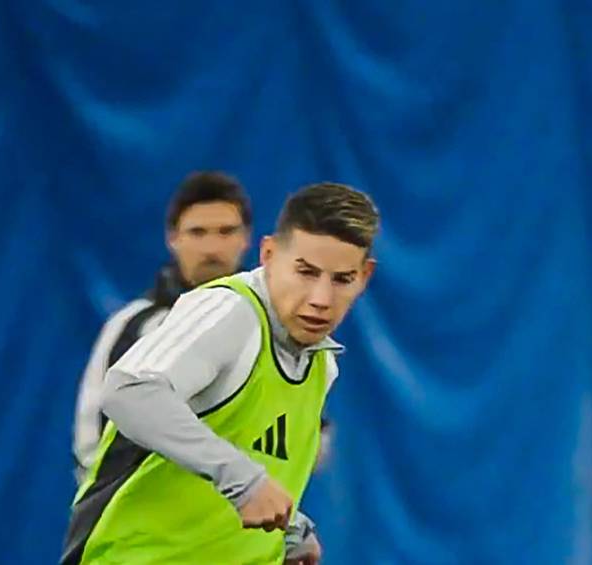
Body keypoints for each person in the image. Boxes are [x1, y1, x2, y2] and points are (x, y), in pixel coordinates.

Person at [62, 182, 380, 565]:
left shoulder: (321, 362)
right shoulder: (231, 312)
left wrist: (290, 528)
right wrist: (243, 481)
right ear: (268, 254)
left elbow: (251, 456)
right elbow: (128, 391)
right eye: (305, 272)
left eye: (341, 279)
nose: (320, 299)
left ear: (364, 276)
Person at [73, 171, 252, 477]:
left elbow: (309, 434)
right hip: (152, 517)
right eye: (198, 232)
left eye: (225, 231)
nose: (211, 248)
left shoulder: (277, 328)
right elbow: (92, 437)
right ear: (172, 239)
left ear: (246, 238)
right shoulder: (133, 327)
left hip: (249, 518)